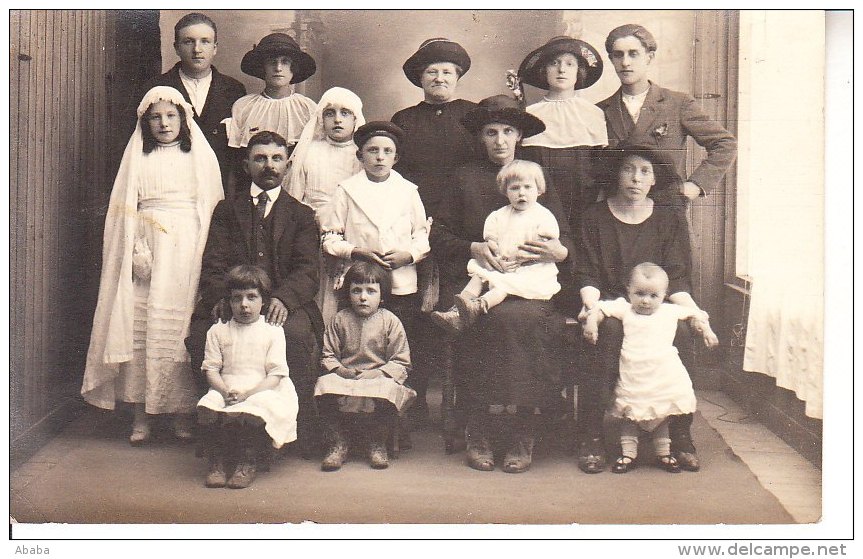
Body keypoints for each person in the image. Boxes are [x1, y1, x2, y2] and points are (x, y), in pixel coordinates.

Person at [430, 95, 573, 473]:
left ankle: (522, 428)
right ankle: (478, 427)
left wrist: (554, 251)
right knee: (476, 319)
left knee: (520, 320)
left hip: (529, 281)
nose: (499, 140)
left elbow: (565, 241)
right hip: (476, 277)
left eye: (508, 131)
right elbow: (439, 236)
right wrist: (473, 246)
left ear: (519, 136)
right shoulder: (463, 177)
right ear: (480, 137)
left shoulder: (537, 178)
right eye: (491, 132)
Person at [82, 86, 224, 445]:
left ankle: (181, 412)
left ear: (184, 119)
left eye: (171, 116)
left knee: (177, 328)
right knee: (142, 327)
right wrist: (132, 251)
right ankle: (141, 414)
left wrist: (201, 256)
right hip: (146, 247)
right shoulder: (138, 158)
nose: (164, 123)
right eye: (155, 117)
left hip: (187, 251)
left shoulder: (199, 157)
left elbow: (210, 209)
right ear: (145, 122)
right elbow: (124, 208)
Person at [187, 130, 322, 456]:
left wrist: (283, 300)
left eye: (277, 159)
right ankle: (220, 427)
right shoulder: (227, 210)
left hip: (279, 301)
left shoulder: (301, 214)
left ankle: (292, 430)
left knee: (296, 334)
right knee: (203, 333)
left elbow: (307, 270)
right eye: (260, 158)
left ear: (287, 166)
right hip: (236, 300)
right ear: (246, 164)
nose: (269, 166)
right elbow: (213, 263)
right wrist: (223, 297)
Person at [575, 145, 706, 473]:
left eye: (645, 171)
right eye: (628, 169)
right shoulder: (593, 217)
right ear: (616, 174)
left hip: (655, 306)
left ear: (654, 179)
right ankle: (592, 435)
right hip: (609, 305)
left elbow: (676, 277)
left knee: (684, 333)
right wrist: (593, 309)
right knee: (607, 331)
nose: (635, 178)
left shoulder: (668, 219)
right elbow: (586, 271)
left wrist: (695, 315)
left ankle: (680, 433)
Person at [391, 38, 478, 422]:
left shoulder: (472, 116)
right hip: (414, 223)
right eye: (432, 72)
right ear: (420, 79)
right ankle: (417, 396)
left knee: (456, 306)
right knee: (416, 310)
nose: (440, 78)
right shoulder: (405, 120)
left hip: (459, 223)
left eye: (447, 72)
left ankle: (460, 402)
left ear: (457, 78)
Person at [583, 262, 718, 474]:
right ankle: (628, 454)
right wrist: (592, 323)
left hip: (661, 373)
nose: (645, 301)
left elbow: (695, 315)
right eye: (639, 294)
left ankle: (664, 453)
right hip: (634, 373)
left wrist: (707, 331)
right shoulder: (625, 309)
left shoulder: (669, 312)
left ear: (664, 295)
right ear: (628, 291)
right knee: (631, 410)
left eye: (653, 296)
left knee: (662, 409)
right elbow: (600, 308)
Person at [321, 121, 430, 356]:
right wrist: (355, 252)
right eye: (373, 151)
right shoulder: (346, 190)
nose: (380, 157)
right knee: (357, 343)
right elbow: (330, 237)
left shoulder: (408, 191)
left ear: (396, 158)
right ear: (360, 156)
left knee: (399, 342)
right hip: (359, 282)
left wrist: (408, 255)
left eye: (387, 151)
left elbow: (422, 235)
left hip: (400, 282)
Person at [596, 24, 737, 200]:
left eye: (633, 54)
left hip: (666, 211)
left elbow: (725, 143)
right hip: (617, 213)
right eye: (618, 55)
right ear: (611, 60)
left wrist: (696, 185)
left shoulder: (678, 103)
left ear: (649, 57)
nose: (625, 62)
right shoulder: (599, 111)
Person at [197, 265, 299, 489]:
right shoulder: (219, 329)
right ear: (228, 301)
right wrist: (224, 391)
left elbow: (276, 375)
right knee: (208, 405)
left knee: (256, 409)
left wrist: (248, 394)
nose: (244, 304)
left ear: (264, 301)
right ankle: (218, 462)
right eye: (236, 298)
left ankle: (247, 461)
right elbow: (211, 369)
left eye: (252, 297)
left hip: (263, 388)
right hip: (228, 387)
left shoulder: (272, 330)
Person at [431, 159, 560, 333]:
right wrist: (495, 252)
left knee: (502, 287)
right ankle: (457, 310)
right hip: (501, 264)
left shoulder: (543, 216)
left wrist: (522, 258)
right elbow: (491, 238)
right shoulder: (500, 215)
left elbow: (546, 244)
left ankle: (478, 306)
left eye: (528, 187)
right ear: (505, 192)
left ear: (539, 190)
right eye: (515, 188)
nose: (521, 193)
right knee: (479, 275)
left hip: (529, 268)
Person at [314, 262, 416, 471]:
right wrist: (342, 371)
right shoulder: (340, 320)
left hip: (378, 378)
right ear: (348, 293)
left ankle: (377, 442)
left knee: (387, 390)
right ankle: (338, 443)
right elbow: (328, 355)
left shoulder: (390, 321)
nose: (363, 297)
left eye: (371, 291)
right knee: (323, 385)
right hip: (347, 377)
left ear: (382, 295)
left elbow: (401, 361)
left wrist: (377, 373)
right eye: (356, 291)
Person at [138, 13, 246, 189]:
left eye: (205, 41)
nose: (197, 49)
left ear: (215, 47)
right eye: (188, 41)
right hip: (170, 185)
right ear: (176, 48)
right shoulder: (156, 88)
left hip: (219, 186)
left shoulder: (234, 90)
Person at [286, 87, 366, 325]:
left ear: (356, 119)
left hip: (348, 228)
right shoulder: (310, 151)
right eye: (330, 113)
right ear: (321, 119)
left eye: (345, 113)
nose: (338, 119)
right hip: (310, 227)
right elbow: (295, 195)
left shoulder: (360, 155)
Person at [517, 36, 607, 233]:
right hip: (538, 209)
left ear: (579, 72)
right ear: (544, 71)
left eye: (569, 64)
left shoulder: (594, 114)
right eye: (554, 63)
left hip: (584, 210)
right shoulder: (530, 114)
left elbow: (600, 172)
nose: (561, 70)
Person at [226, 32, 317, 192]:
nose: (278, 68)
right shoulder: (244, 106)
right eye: (272, 62)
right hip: (251, 190)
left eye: (285, 62)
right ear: (262, 67)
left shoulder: (307, 108)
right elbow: (234, 163)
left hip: (296, 189)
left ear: (293, 68)